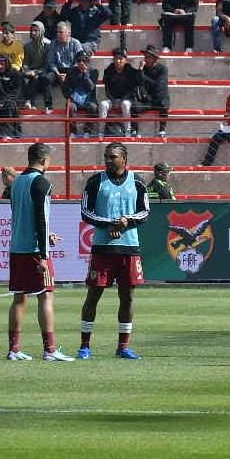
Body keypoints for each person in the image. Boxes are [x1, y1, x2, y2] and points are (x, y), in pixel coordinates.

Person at [79, 143, 150, 360]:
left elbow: (145, 212)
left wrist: (126, 221)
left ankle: (123, 347)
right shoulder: (94, 182)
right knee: (93, 295)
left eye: (113, 157)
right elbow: (85, 212)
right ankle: (84, 346)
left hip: (129, 247)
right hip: (102, 248)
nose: (108, 160)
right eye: (106, 157)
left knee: (127, 297)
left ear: (124, 158)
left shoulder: (138, 182)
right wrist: (110, 224)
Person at [6, 142, 75, 363]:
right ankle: (50, 349)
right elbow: (41, 219)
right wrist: (44, 254)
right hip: (35, 250)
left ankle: (14, 349)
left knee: (19, 298)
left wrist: (46, 235)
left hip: (17, 247)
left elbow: (20, 214)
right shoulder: (42, 183)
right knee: (46, 296)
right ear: (45, 161)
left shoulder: (16, 183)